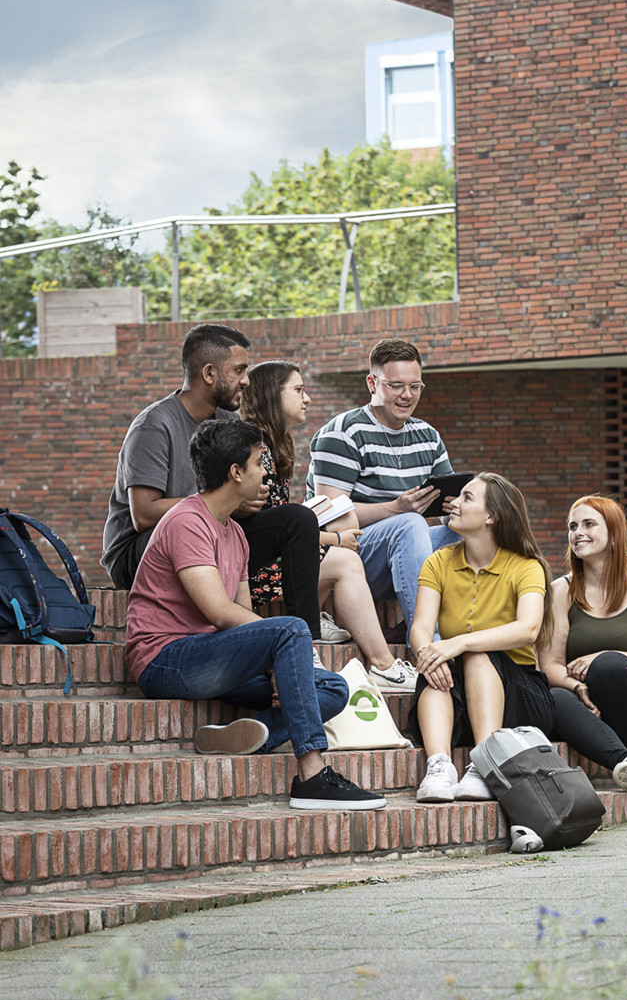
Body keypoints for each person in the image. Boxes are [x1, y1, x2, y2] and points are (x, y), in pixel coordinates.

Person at [125, 417, 386, 811]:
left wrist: (274, 664)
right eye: (258, 463)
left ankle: (246, 733)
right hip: (166, 660)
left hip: (212, 657)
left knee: (332, 689)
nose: (265, 473)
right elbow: (221, 612)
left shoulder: (234, 534)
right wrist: (278, 652)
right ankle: (313, 775)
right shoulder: (186, 522)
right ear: (235, 472)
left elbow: (244, 617)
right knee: (292, 629)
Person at [101, 323, 322, 643]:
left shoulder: (229, 421)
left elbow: (226, 499)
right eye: (238, 370)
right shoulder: (154, 426)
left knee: (297, 520)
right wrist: (222, 501)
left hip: (211, 537)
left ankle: (307, 640)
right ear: (209, 373)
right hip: (141, 551)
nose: (246, 380)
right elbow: (144, 514)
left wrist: (243, 500)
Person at [239, 360, 417, 691]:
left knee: (342, 518)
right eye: (298, 390)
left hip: (274, 555)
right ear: (272, 396)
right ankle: (383, 664)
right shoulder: (255, 450)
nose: (306, 398)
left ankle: (331, 623)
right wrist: (334, 539)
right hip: (249, 569)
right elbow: (273, 531)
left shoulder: (272, 445)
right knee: (346, 558)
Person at [408, 473, 556, 803]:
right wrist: (427, 652)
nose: (455, 504)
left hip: (519, 694)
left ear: (491, 516)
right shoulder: (438, 562)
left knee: (475, 655)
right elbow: (420, 627)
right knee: (435, 664)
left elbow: (528, 629)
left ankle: (485, 764)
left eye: (467, 497)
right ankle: (439, 766)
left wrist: (460, 642)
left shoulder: (526, 566)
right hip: (458, 694)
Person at [306, 339, 459, 640]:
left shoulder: (428, 436)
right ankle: (429, 645)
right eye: (396, 386)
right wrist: (397, 509)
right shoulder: (343, 433)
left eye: (415, 386)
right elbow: (330, 517)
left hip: (409, 556)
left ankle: (465, 630)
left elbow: (448, 511)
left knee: (472, 532)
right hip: (351, 557)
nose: (407, 395)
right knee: (410, 523)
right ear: (372, 383)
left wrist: (462, 509)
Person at [537, 493, 627, 795]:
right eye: (573, 526)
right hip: (589, 708)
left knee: (609, 664)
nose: (578, 533)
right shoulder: (561, 591)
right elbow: (550, 665)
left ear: (613, 534)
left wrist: (604, 655)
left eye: (589, 524)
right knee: (554, 698)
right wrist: (577, 688)